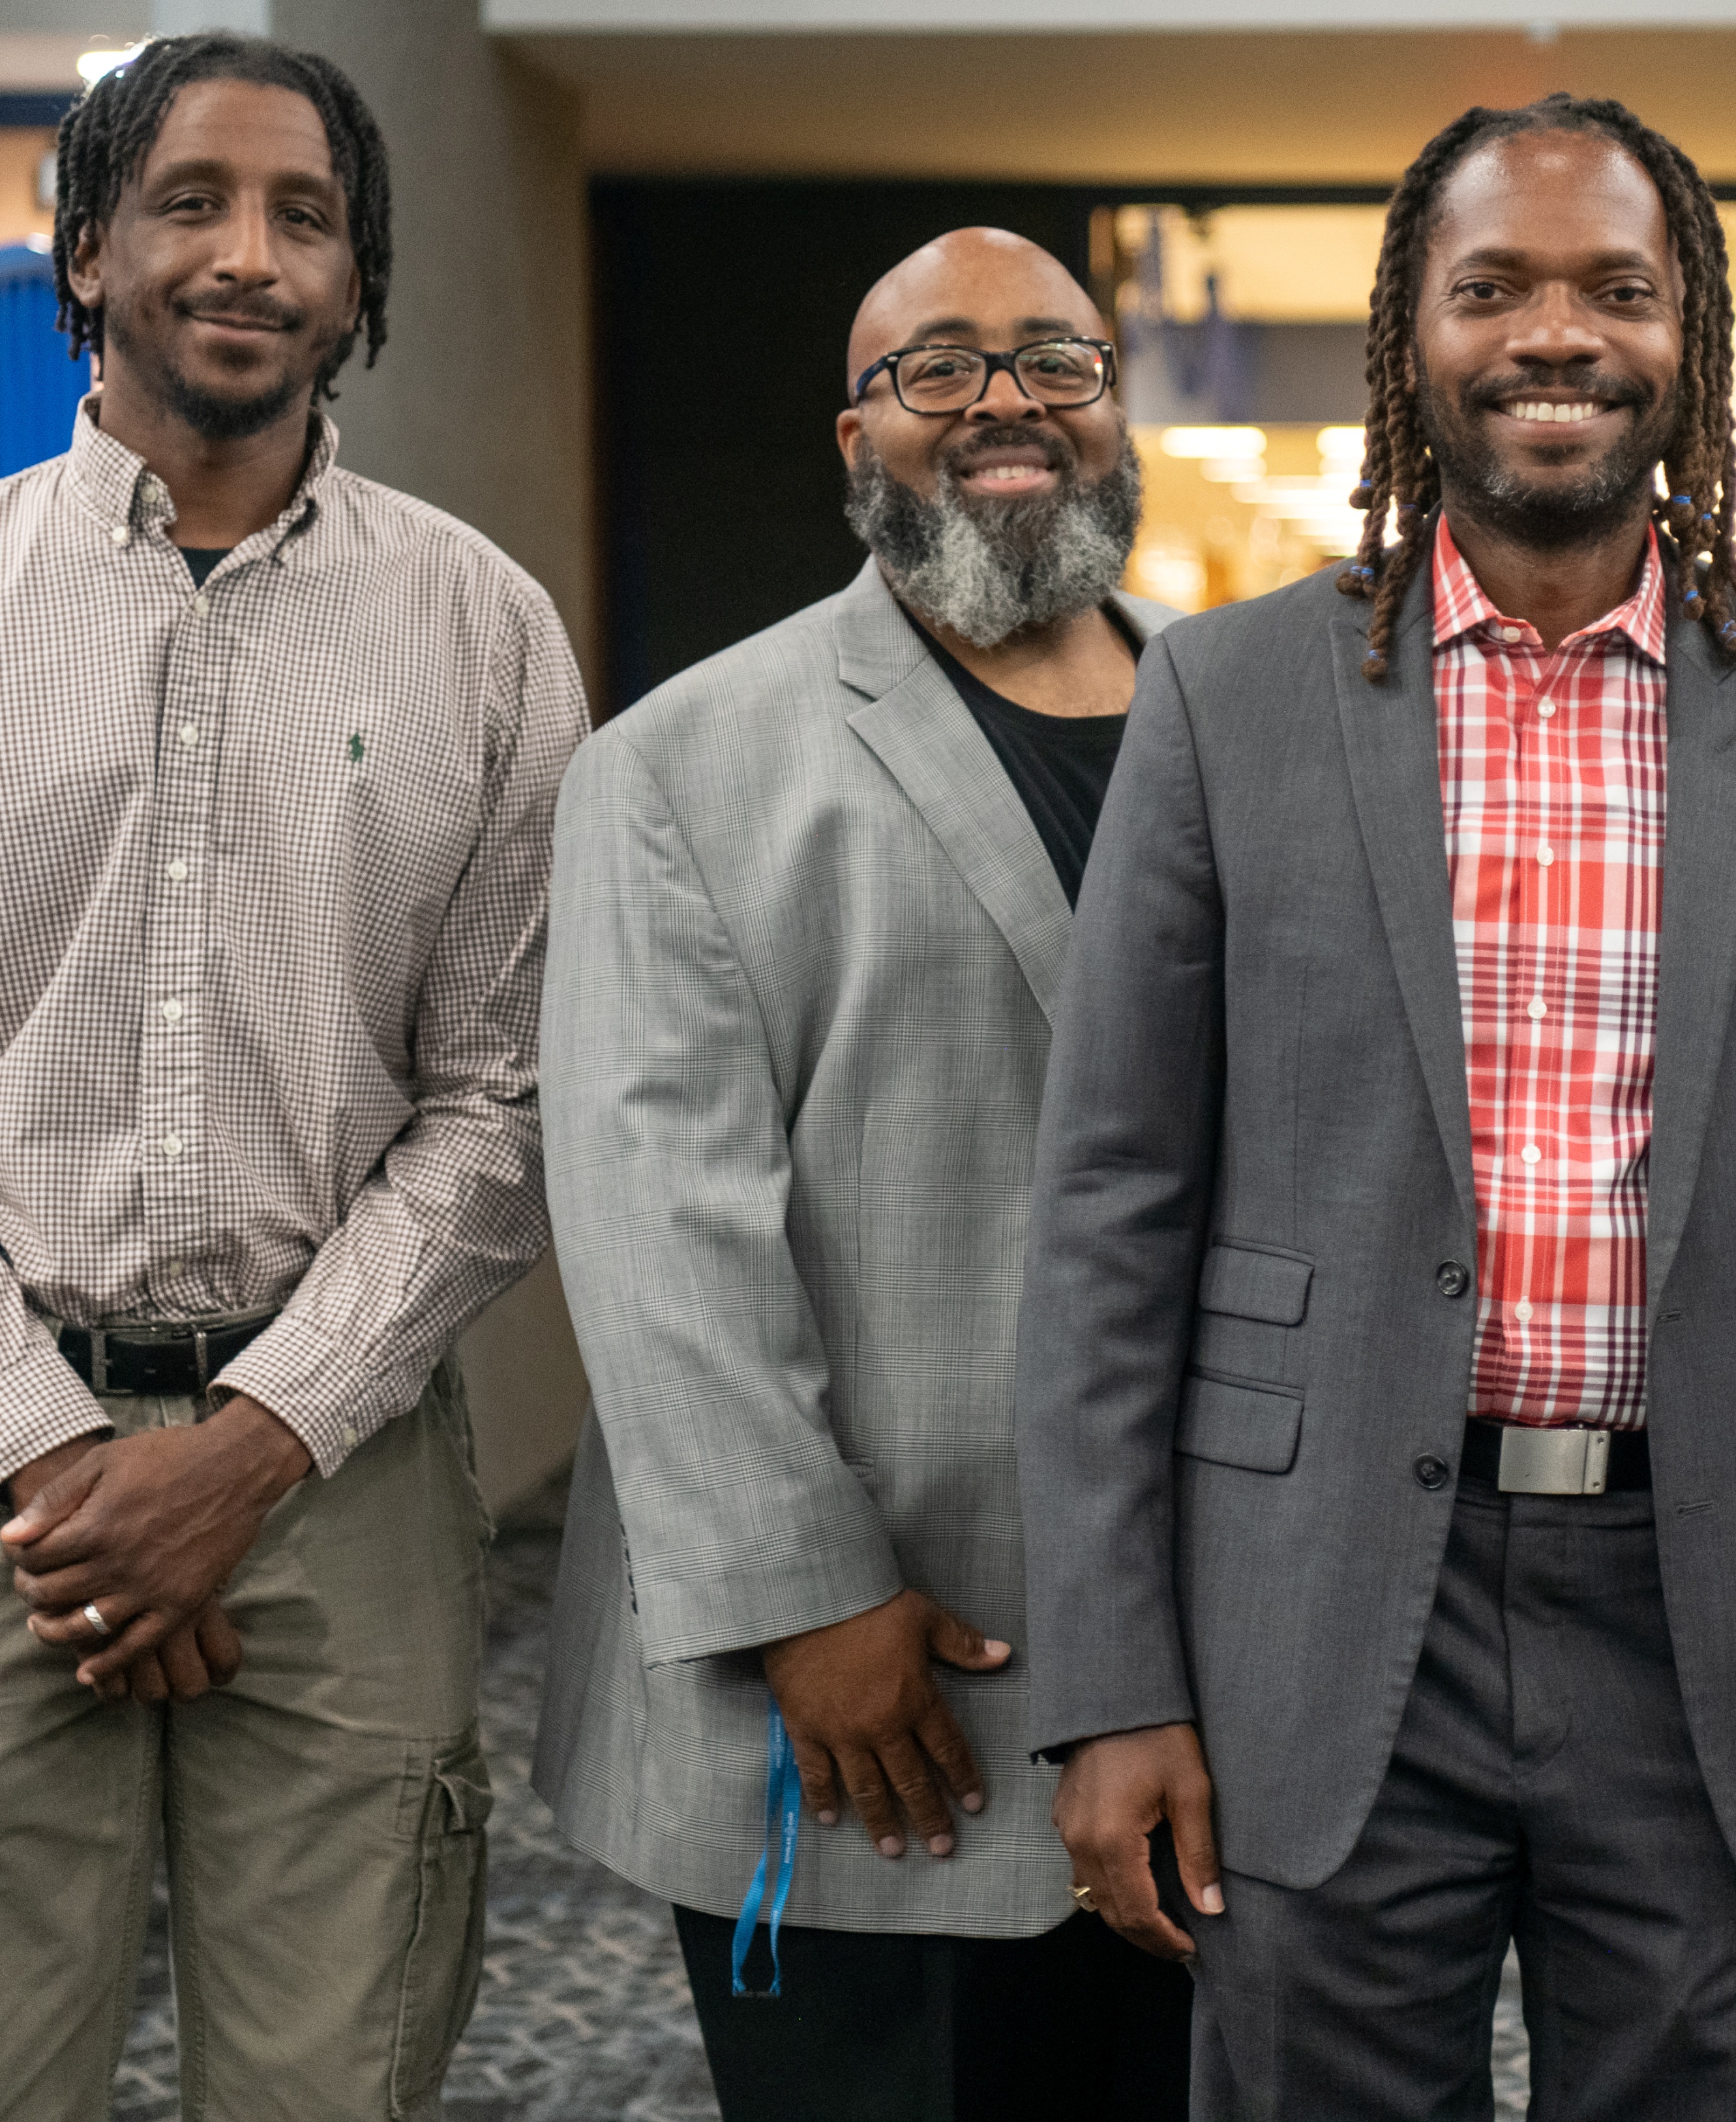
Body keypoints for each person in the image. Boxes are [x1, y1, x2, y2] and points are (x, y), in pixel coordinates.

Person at [1015, 92, 1736, 2121]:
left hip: (1730, 1625)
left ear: (1695, 338)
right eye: (1490, 286)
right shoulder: (1227, 702)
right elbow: (1109, 1215)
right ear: (1414, 332)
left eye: (1616, 289)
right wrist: (1114, 1678)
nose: (1553, 336)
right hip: (1315, 1623)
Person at [0, 32, 585, 2117]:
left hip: (346, 1477)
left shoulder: (482, 633)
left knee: (338, 2084)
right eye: (193, 201)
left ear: (360, 283)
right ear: (89, 246)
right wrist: (58, 1462)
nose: (247, 254)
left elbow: (506, 1096)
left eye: (305, 216)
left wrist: (247, 1453)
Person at [534, 227, 1191, 2119]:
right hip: (868, 1691)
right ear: (855, 434)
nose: (1002, 400)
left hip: (1204, 1673)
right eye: (938, 368)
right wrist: (804, 1595)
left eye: (1054, 361)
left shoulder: (1253, 722)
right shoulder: (684, 760)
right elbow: (654, 1207)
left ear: (1114, 412)